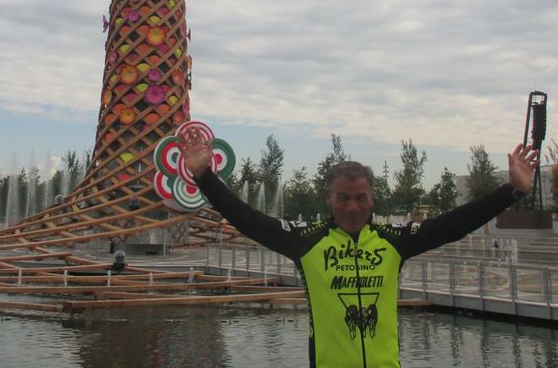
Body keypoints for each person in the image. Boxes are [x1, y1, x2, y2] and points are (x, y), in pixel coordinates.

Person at [179, 130, 538, 368]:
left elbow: (455, 224)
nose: (352, 207)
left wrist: (512, 191)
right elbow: (247, 219)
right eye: (343, 198)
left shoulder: (393, 240)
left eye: (361, 198)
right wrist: (204, 177)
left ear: (372, 199)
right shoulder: (306, 240)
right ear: (328, 199)